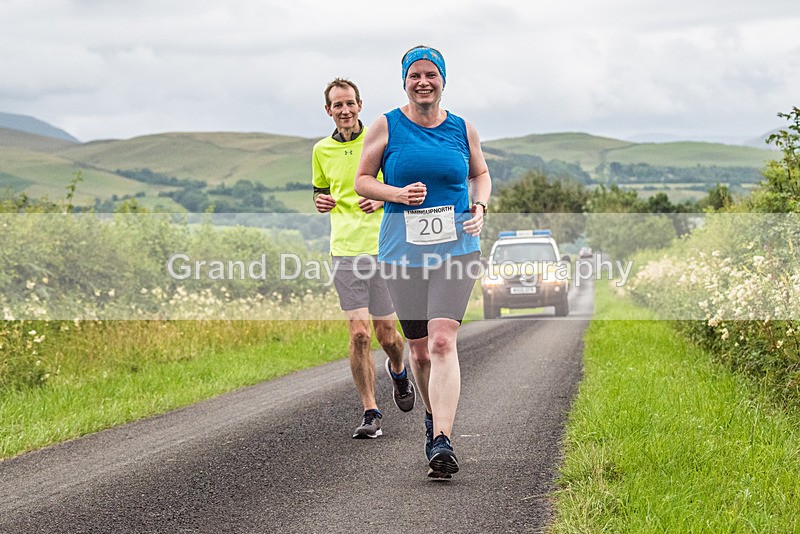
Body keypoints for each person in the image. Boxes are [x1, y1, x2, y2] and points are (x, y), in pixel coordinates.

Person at [355, 47, 491, 478]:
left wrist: (481, 207)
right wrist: (396, 194)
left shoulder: (462, 128)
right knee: (418, 349)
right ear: (404, 81)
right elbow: (362, 181)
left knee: (442, 341)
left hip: (455, 251)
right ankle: (432, 419)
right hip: (402, 253)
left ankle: (443, 440)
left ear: (443, 80)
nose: (423, 82)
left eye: (431, 74)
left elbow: (480, 174)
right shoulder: (386, 125)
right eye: (415, 75)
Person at [312, 78, 415, 440]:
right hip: (344, 251)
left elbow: (399, 186)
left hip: (382, 248)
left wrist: (383, 198)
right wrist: (319, 201)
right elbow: (321, 190)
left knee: (387, 336)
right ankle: (370, 411)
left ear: (359, 105)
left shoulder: (378, 141)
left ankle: (399, 370)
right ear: (329, 110)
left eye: (349, 103)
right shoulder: (321, 150)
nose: (344, 110)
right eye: (337, 105)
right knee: (359, 334)